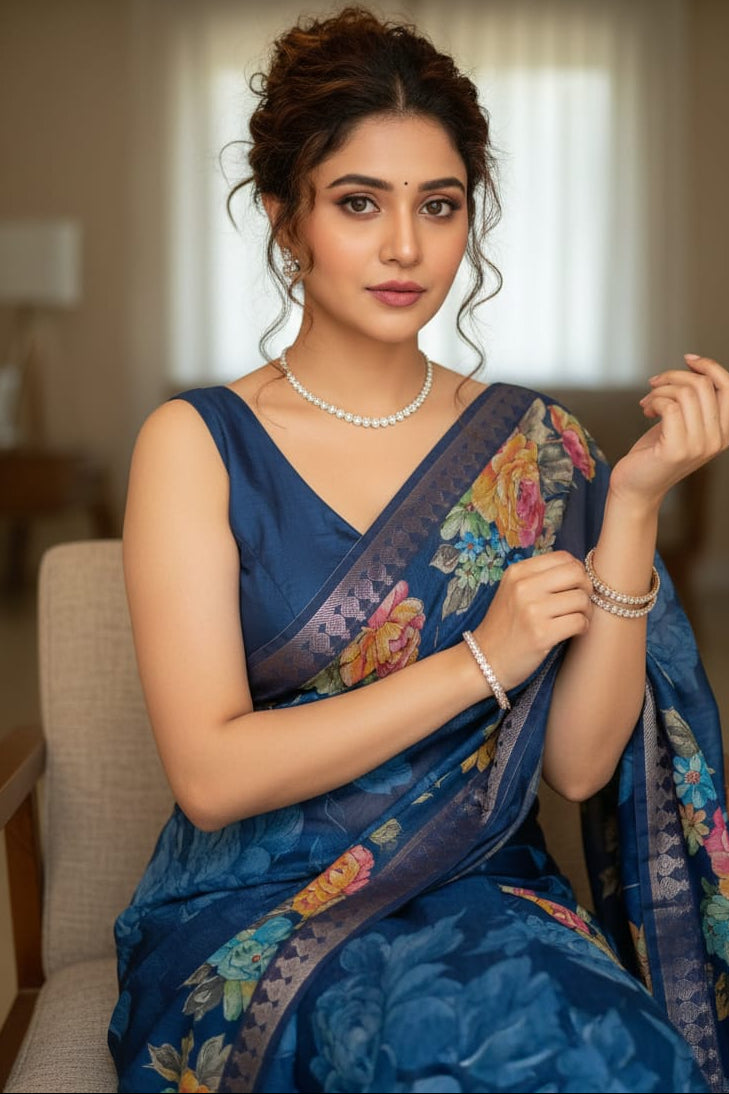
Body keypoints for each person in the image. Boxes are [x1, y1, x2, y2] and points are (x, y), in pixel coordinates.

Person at [108, 7, 729, 1092]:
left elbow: (582, 766)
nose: (406, 247)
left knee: (614, 1056)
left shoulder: (540, 451)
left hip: (488, 886)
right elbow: (209, 775)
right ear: (285, 218)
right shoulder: (196, 443)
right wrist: (481, 660)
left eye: (439, 207)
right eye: (359, 203)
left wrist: (629, 508)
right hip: (257, 914)